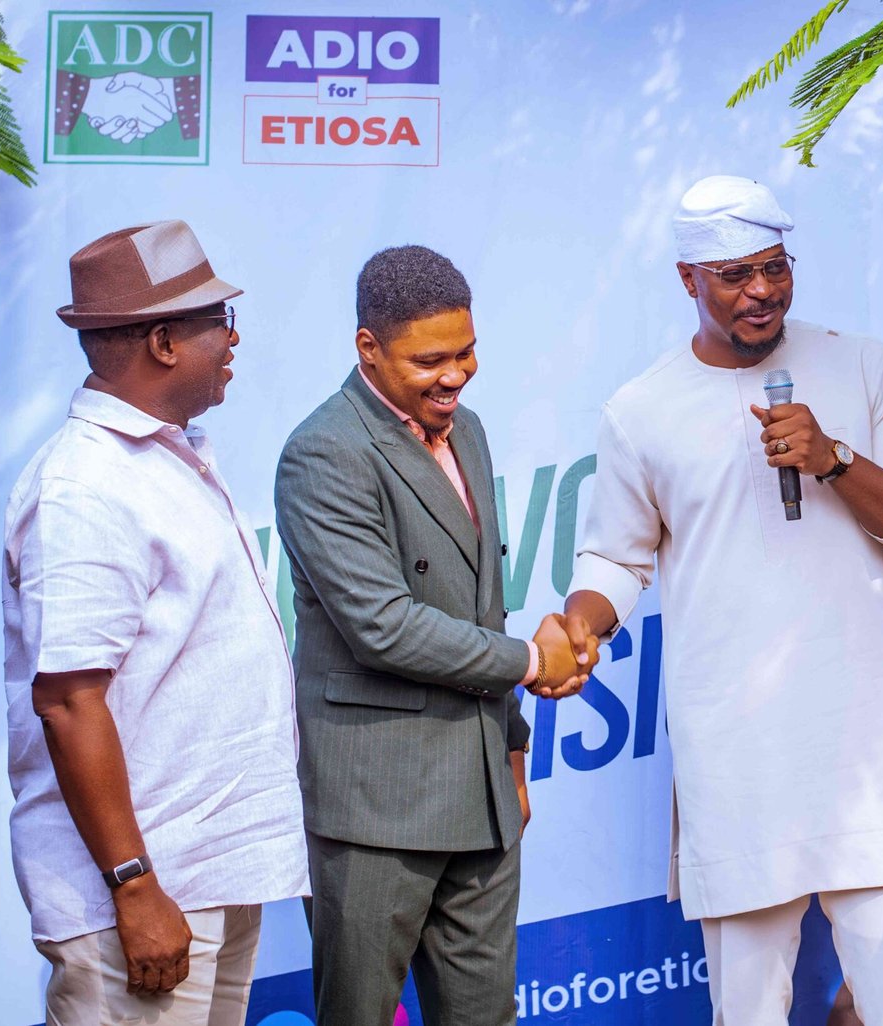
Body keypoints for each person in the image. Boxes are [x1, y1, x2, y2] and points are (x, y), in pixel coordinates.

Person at [561, 175, 883, 1025]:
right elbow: (615, 557)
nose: (762, 291)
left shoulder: (862, 365)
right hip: (737, 754)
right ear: (688, 279)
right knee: (746, 1010)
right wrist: (581, 625)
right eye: (736, 274)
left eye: (775, 268)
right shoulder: (642, 410)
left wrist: (835, 459)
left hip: (870, 747)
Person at [274, 245, 597, 1026]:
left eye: (466, 352)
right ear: (368, 348)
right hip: (376, 810)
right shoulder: (324, 453)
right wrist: (532, 662)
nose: (455, 375)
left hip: (482, 797)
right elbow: (383, 627)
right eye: (430, 361)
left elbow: (482, 607)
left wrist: (511, 750)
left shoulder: (468, 431)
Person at [3, 220, 307, 1024]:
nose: (233, 340)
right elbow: (69, 701)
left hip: (205, 879)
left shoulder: (165, 458)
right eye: (220, 321)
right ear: (165, 342)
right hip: (139, 898)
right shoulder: (86, 486)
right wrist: (134, 885)